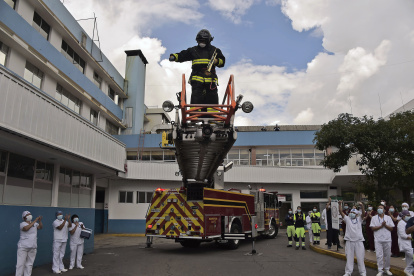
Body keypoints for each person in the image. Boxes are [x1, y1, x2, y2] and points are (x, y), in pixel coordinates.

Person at [169, 29, 225, 108]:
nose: (201, 43)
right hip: (197, 79)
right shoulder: (193, 50)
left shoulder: (215, 50)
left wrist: (217, 61)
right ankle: (195, 114)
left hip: (210, 80)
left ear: (209, 40)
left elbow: (222, 61)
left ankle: (213, 116)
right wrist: (174, 56)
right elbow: (183, 55)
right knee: (196, 98)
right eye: (200, 41)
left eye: (204, 41)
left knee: (212, 98)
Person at [339, 201, 366, 276]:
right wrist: (340, 204)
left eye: (353, 213)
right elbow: (341, 212)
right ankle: (348, 272)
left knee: (360, 258)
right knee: (349, 258)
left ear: (357, 214)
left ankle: (363, 272)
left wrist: (362, 206)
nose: (351, 214)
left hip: (359, 241)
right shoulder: (347, 219)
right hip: (349, 241)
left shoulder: (359, 219)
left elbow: (363, 214)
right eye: (351, 212)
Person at [370, 204, 394, 276]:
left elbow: (391, 228)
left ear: (384, 210)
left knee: (387, 255)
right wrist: (381, 226)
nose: (379, 209)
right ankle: (380, 270)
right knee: (379, 255)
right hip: (378, 239)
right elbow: (372, 228)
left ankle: (387, 269)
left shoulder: (388, 218)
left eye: (381, 208)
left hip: (387, 239)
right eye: (378, 208)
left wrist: (385, 225)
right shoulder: (374, 218)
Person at [16, 211, 43, 276]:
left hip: (33, 246)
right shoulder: (22, 224)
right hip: (23, 247)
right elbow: (26, 228)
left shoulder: (35, 223)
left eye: (30, 214)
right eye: (28, 215)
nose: (29, 216)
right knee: (20, 264)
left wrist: (39, 221)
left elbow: (40, 227)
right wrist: (35, 221)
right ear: (24, 217)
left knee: (29, 264)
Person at [398, 210, 413, 275]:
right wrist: (412, 238)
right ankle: (407, 270)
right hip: (405, 244)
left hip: (409, 244)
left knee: (409, 260)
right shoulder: (401, 223)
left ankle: (409, 272)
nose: (409, 216)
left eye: (409, 215)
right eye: (407, 215)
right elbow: (402, 235)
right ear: (403, 216)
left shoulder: (407, 223)